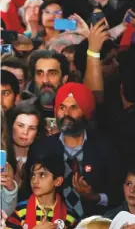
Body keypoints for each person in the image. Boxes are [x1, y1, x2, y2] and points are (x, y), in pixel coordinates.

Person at [27, 82, 123, 219]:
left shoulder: (105, 148)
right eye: (62, 107)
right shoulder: (41, 148)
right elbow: (29, 191)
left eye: (74, 107)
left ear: (86, 111)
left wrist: (94, 197)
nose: (66, 114)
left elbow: (118, 194)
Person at [6, 153, 77, 228]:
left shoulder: (70, 217)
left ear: (57, 181)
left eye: (42, 175)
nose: (34, 181)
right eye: (33, 175)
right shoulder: (18, 211)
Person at [24, 49, 69, 118]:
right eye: (39, 73)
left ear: (64, 78)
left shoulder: (72, 112)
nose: (45, 80)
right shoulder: (23, 110)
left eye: (52, 74)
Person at [6, 103, 43, 186]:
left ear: (37, 132)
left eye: (32, 128)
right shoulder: (3, 155)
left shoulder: (43, 158)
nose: (25, 132)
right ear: (11, 126)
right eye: (20, 126)